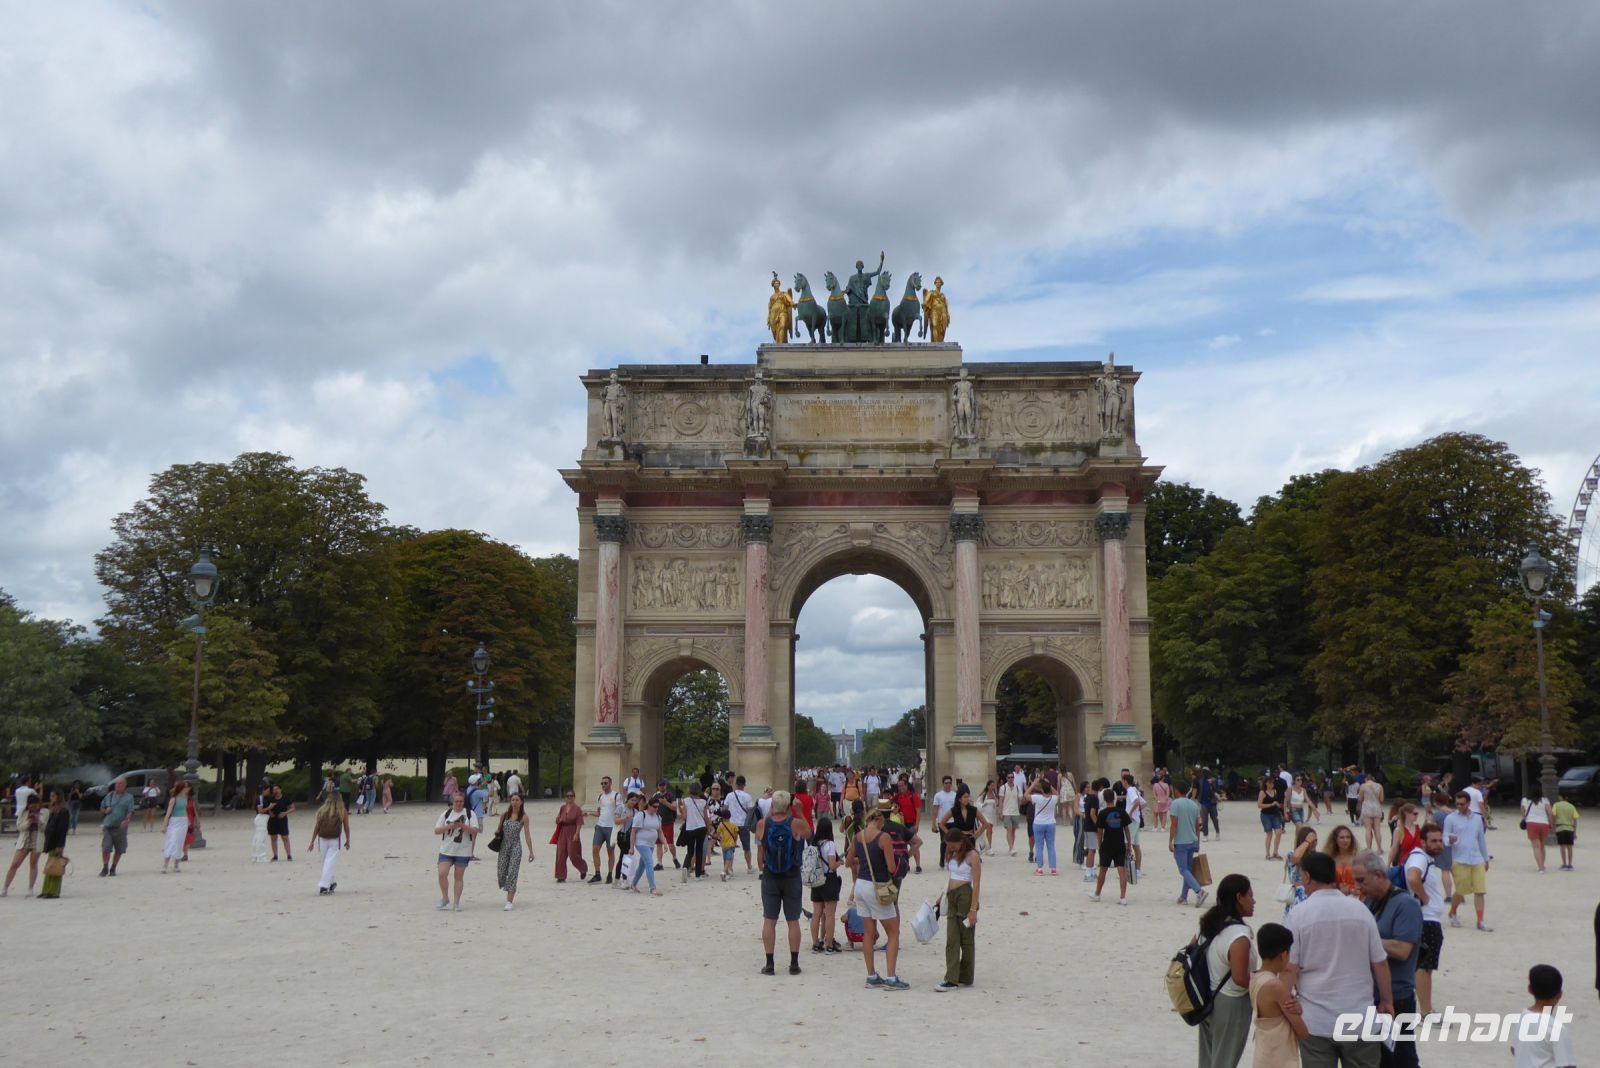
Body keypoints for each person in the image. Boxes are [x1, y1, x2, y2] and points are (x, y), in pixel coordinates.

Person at [1285, 851, 1393, 1067]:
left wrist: (1286, 1000)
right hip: (1359, 1018)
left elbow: (1290, 967)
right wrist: (1387, 1001)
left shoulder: (1298, 915)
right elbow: (1379, 962)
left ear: (1306, 877)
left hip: (1316, 1020)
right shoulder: (1360, 910)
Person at [1352, 851, 1422, 1068]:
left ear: (1379, 875)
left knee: (1403, 1060)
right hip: (1372, 997)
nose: (1358, 887)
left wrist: (1369, 939)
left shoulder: (1405, 904)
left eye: (1361, 881)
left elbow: (1402, 949)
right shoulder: (1371, 904)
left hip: (1398, 997)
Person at [1196, 873, 1258, 1068]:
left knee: (1208, 1059)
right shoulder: (1238, 936)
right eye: (1250, 895)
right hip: (1231, 1003)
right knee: (1225, 1061)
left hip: (1207, 998)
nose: (1254, 901)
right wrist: (1262, 986)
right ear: (1239, 897)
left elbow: (1193, 951)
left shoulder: (1209, 925)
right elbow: (1240, 978)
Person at [847, 808, 908, 990]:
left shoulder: (858, 836)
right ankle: (891, 977)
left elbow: (848, 862)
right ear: (880, 821)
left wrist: (865, 861)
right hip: (877, 886)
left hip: (860, 885)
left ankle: (871, 975)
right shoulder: (884, 838)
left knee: (868, 932)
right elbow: (891, 867)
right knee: (893, 932)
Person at [756, 790, 811, 974]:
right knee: (792, 920)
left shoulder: (762, 824)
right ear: (789, 806)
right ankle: (794, 963)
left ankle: (770, 963)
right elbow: (809, 833)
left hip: (771, 876)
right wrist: (800, 811)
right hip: (792, 875)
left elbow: (760, 855)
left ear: (772, 805)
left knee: (769, 920)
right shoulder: (795, 824)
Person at [1404, 823, 1450, 1019]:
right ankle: (1426, 1011)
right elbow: (1413, 877)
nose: (1438, 844)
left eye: (1440, 840)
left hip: (1427, 918)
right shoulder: (1419, 857)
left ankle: (1425, 1009)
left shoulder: (1424, 858)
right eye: (1433, 841)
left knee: (1425, 966)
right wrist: (1424, 898)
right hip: (1426, 919)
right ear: (1422, 842)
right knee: (1425, 966)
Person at [1249, 922, 1307, 1068]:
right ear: (1283, 955)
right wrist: (1298, 1010)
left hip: (1263, 1054)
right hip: (1279, 1059)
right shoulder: (1276, 986)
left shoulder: (1255, 977)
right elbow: (1302, 1031)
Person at [935, 828, 983, 991]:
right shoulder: (952, 854)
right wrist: (942, 894)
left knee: (967, 938)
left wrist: (973, 909)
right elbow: (951, 876)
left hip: (965, 895)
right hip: (951, 894)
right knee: (952, 938)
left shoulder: (973, 856)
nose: (951, 848)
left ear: (961, 842)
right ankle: (952, 977)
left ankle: (965, 975)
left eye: (953, 845)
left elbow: (976, 884)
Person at [1443, 789, 1491, 932]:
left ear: (1469, 803)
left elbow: (1481, 839)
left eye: (1462, 804)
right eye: (1457, 804)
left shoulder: (1477, 818)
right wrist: (1449, 840)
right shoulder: (1450, 818)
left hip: (1477, 859)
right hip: (1460, 859)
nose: (1459, 806)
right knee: (1461, 891)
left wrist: (1485, 858)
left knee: (1480, 890)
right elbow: (1445, 837)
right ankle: (1453, 911)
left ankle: (1480, 920)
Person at [1508, 964, 1574, 1068]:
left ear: (1530, 989)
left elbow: (1514, 1049)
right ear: (1560, 994)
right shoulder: (1556, 1029)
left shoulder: (1523, 1017)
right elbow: (1567, 1065)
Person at [434, 791, 478, 910]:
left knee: (458, 877)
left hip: (463, 850)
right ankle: (445, 897)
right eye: (456, 801)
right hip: (446, 849)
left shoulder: (470, 814)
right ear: (452, 802)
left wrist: (463, 826)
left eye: (461, 801)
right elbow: (436, 830)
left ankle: (456, 902)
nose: (458, 803)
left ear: (464, 802)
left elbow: (475, 831)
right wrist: (448, 827)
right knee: (442, 873)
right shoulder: (446, 814)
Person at [1089, 787, 1130, 905]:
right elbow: (1126, 829)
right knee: (1122, 870)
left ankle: (1097, 894)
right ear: (1114, 798)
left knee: (1103, 870)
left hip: (1107, 844)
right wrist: (1128, 843)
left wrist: (1099, 844)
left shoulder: (1102, 814)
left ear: (1104, 799)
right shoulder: (1121, 812)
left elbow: (1100, 831)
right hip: (1120, 843)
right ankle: (1123, 897)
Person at [494, 793, 535, 910]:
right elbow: (498, 829)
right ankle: (506, 886)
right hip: (504, 846)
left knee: (512, 872)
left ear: (521, 802)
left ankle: (509, 901)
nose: (515, 802)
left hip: (516, 846)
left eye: (517, 800)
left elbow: (527, 835)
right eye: (513, 800)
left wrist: (531, 851)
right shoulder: (504, 815)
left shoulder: (524, 817)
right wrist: (497, 835)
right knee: (501, 872)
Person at [1169, 783, 1207, 907]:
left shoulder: (1175, 804)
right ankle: (1183, 896)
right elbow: (1198, 826)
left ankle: (1199, 891)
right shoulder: (1194, 804)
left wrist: (1170, 840)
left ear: (1177, 790)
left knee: (1183, 869)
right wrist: (1198, 842)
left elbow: (1174, 824)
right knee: (1188, 869)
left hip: (1181, 841)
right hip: (1192, 840)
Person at [809, 814, 842, 953]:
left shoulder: (814, 843)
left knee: (816, 914)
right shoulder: (830, 844)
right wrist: (840, 862)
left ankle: (816, 942)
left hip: (816, 879)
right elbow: (832, 865)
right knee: (829, 914)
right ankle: (829, 943)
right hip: (828, 879)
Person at [307, 792, 350, 895]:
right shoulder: (342, 811)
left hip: (322, 839)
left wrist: (312, 841)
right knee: (329, 862)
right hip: (335, 839)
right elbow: (346, 827)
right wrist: (348, 840)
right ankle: (325, 885)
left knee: (325, 862)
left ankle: (330, 883)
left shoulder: (322, 811)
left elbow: (317, 827)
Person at [3, 794, 43, 897]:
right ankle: (5, 888)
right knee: (14, 864)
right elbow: (19, 827)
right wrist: (28, 822)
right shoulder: (23, 812)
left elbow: (46, 828)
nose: (33, 807)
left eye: (35, 804)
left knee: (33, 864)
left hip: (36, 840)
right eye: (31, 804)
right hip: (24, 840)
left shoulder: (44, 812)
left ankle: (30, 888)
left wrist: (38, 821)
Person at [98, 778, 135, 877]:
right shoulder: (109, 796)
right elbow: (101, 808)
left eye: (120, 784)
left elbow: (130, 811)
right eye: (117, 784)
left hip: (120, 827)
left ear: (125, 785)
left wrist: (127, 820)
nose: (118, 785)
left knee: (119, 849)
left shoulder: (129, 797)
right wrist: (105, 811)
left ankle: (113, 867)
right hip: (108, 826)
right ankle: (105, 867)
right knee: (106, 848)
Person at [628, 792, 664, 896]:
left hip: (651, 843)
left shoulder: (657, 816)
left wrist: (665, 843)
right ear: (649, 805)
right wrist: (631, 847)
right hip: (641, 842)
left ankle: (633, 884)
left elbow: (660, 831)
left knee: (642, 865)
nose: (656, 809)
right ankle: (652, 888)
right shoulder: (641, 815)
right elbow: (633, 831)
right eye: (655, 807)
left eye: (658, 807)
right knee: (649, 862)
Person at [36, 792, 70, 899]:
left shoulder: (63, 811)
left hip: (57, 841)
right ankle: (46, 889)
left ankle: (54, 891)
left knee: (55, 865)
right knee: (50, 864)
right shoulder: (53, 810)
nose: (51, 798)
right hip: (51, 841)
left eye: (53, 796)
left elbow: (63, 830)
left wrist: (60, 845)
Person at [552, 788, 588, 884]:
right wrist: (558, 819)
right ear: (565, 797)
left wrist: (576, 834)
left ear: (574, 797)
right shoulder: (562, 808)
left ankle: (583, 868)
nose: (569, 798)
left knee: (573, 854)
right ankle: (560, 875)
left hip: (572, 830)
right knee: (561, 853)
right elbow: (558, 818)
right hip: (563, 831)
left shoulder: (577, 809)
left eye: (571, 796)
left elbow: (579, 822)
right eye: (567, 796)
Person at [588, 776, 619, 884]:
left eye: (605, 783)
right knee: (595, 849)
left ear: (610, 783)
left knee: (610, 851)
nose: (603, 785)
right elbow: (599, 812)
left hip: (611, 827)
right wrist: (588, 813)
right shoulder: (600, 796)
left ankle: (610, 874)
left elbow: (619, 811)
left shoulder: (616, 796)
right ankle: (597, 874)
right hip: (600, 826)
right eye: (602, 783)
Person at [1026, 776, 1058, 876]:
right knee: (1051, 846)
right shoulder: (1054, 798)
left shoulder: (1037, 797)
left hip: (1039, 823)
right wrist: (1048, 784)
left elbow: (1026, 795)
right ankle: (1053, 869)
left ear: (1041, 789)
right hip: (1051, 823)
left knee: (1039, 846)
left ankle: (1039, 869)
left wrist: (1033, 784)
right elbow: (1056, 793)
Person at [1284, 826, 1318, 916]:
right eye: (1312, 841)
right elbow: (1296, 857)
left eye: (1315, 840)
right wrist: (1307, 842)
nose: (1314, 843)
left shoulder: (1317, 857)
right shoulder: (1291, 855)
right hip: (1298, 897)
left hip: (1313, 896)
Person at [726, 775, 757, 874]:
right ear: (744, 785)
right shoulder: (747, 796)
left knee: (731, 847)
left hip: (731, 823)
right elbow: (749, 810)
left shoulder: (730, 795)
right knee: (746, 848)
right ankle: (749, 867)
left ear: (736, 784)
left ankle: (730, 868)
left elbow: (725, 808)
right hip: (743, 824)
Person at [678, 782, 709, 882]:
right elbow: (706, 817)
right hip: (701, 828)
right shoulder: (703, 802)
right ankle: (698, 875)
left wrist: (681, 811)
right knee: (699, 851)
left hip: (690, 828)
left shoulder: (686, 801)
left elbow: (684, 817)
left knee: (690, 851)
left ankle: (685, 867)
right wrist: (708, 828)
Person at [160, 780, 191, 874]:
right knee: (171, 841)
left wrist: (188, 820)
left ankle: (176, 864)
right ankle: (165, 864)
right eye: (185, 787)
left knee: (179, 843)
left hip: (183, 822)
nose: (187, 789)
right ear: (181, 788)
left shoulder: (185, 797)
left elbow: (185, 809)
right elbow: (168, 812)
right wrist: (164, 825)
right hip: (174, 821)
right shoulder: (173, 799)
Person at [1521, 784, 1554, 873]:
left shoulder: (1525, 800)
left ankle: (1540, 867)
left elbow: (1523, 813)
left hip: (1531, 824)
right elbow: (1550, 813)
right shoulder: (1545, 800)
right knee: (1542, 846)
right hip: (1544, 823)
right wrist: (1551, 824)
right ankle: (1543, 864)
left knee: (1536, 847)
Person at [1323, 824, 1359, 895]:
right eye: (1342, 837)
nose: (1345, 840)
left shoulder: (1357, 858)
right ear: (1335, 840)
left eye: (1348, 837)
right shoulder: (1328, 859)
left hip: (1355, 896)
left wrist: (1351, 890)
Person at [1259, 778, 1286, 860]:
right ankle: (1267, 853)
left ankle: (1275, 852)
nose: (1271, 785)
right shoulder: (1262, 792)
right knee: (1269, 834)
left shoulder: (1275, 791)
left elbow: (1277, 801)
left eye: (1272, 783)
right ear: (1266, 783)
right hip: (1265, 815)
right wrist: (1271, 804)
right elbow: (1259, 805)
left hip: (1275, 814)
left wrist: (1278, 805)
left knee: (1279, 832)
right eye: (1270, 783)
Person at [1551, 790, 1579, 871]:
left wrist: (1553, 827)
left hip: (1560, 827)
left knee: (1562, 846)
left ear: (1560, 797)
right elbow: (1575, 819)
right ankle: (1570, 864)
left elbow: (1553, 816)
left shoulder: (1556, 805)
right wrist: (1574, 831)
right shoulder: (1571, 806)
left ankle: (1564, 863)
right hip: (1570, 828)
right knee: (1569, 847)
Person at [267, 784, 295, 861]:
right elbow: (267, 808)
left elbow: (293, 808)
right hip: (272, 820)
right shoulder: (271, 799)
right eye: (274, 790)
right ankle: (275, 855)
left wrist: (285, 813)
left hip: (283, 820)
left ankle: (289, 855)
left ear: (280, 789)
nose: (275, 791)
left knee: (285, 837)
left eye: (277, 789)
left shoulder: (286, 798)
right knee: (273, 838)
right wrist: (270, 812)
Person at [1358, 774, 1385, 851]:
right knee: (1377, 829)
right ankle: (1379, 848)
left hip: (1367, 807)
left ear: (1366, 779)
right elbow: (1382, 799)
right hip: (1376, 807)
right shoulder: (1379, 786)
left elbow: (1360, 798)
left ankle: (1369, 848)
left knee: (1368, 829)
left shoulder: (1363, 786)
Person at [977, 780, 998, 853]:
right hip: (984, 814)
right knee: (988, 828)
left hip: (991, 814)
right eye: (991, 785)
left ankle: (988, 845)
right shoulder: (983, 795)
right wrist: (983, 805)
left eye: (993, 785)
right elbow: (978, 803)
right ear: (988, 786)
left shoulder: (994, 794)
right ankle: (988, 848)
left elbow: (996, 803)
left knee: (990, 831)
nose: (993, 787)